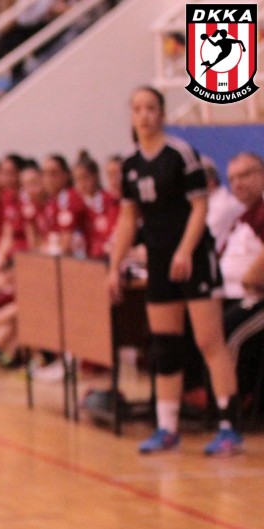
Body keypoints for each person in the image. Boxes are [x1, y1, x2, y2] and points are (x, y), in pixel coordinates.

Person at [107, 86, 242, 455]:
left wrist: (185, 250)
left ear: (162, 113)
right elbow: (128, 218)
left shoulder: (180, 154)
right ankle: (167, 428)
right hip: (159, 260)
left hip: (193, 257)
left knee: (208, 341)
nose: (144, 115)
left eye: (151, 108)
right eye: (138, 108)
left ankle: (229, 427)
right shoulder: (131, 164)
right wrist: (115, 266)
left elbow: (200, 207)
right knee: (164, 345)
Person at [219, 152, 264, 420]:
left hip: (257, 298)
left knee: (225, 331)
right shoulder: (241, 218)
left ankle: (231, 407)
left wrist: (250, 278)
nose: (237, 183)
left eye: (244, 175)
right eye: (232, 179)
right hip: (228, 294)